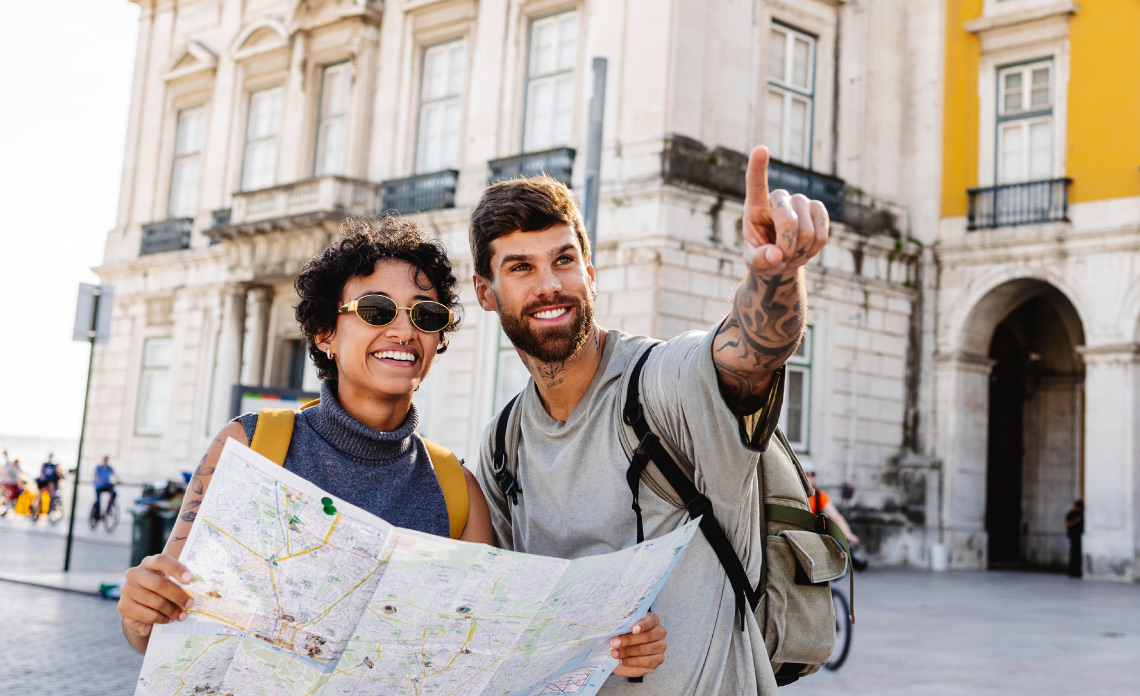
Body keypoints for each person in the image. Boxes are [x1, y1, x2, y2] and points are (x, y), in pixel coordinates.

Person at [116, 217, 668, 677]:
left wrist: (608, 647)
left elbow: (492, 654)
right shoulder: (251, 447)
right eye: (377, 310)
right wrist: (142, 611)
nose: (404, 330)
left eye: (425, 316)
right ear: (325, 333)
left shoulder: (458, 489)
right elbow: (164, 626)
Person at [470, 145, 828, 694]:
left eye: (564, 260)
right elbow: (511, 616)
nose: (549, 285)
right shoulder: (503, 444)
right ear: (485, 294)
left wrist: (777, 277)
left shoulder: (664, 384)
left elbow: (751, 352)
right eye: (521, 267)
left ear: (589, 273)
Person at [1065, 499, 1084, 578]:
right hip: (1073, 536)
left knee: (1078, 554)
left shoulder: (1081, 514)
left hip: (1079, 536)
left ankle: (1077, 571)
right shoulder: (1071, 514)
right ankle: (1072, 571)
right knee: (1073, 553)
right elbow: (1067, 524)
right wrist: (1076, 521)